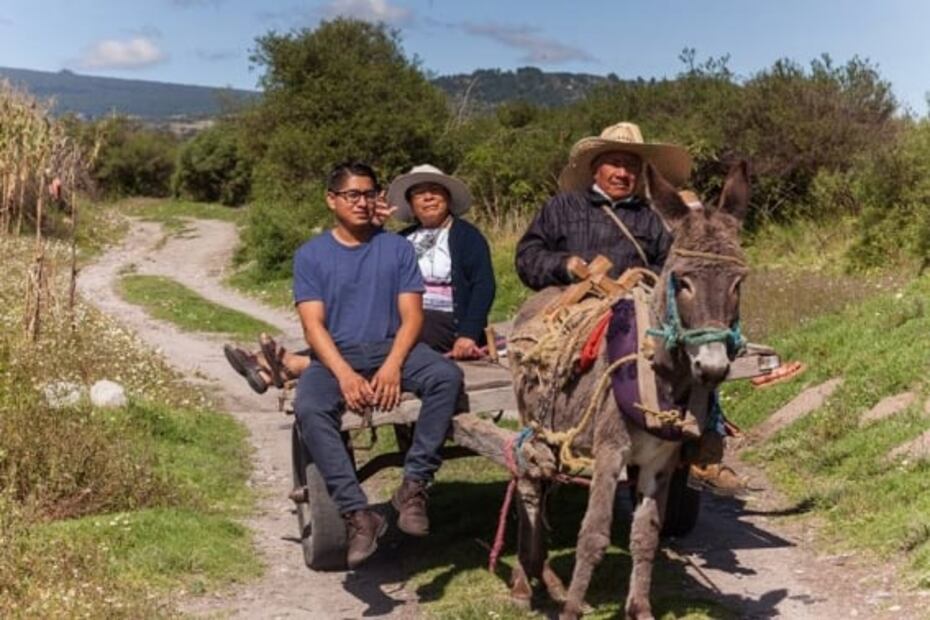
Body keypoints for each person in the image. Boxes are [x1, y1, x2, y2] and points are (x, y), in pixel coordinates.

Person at [515, 121, 744, 496]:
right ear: (595, 168)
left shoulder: (657, 218)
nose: (623, 173)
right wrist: (565, 265)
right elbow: (527, 257)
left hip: (639, 311)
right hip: (578, 312)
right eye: (614, 163)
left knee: (696, 344)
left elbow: (676, 267)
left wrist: (645, 282)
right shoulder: (560, 208)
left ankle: (703, 441)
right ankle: (548, 427)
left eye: (631, 166)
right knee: (546, 357)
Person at [291, 162, 463, 569]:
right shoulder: (311, 255)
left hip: (391, 347)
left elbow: (413, 318)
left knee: (445, 377)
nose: (363, 202)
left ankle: (414, 485)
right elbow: (313, 326)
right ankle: (357, 513)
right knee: (310, 407)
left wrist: (391, 367)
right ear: (331, 200)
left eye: (370, 194)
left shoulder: (396, 249)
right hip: (339, 354)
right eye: (352, 195)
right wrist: (345, 375)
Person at [224, 164, 496, 391]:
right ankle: (276, 369)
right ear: (411, 204)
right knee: (358, 334)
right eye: (420, 194)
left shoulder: (466, 237)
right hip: (402, 317)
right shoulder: (404, 238)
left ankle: (287, 364)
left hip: (444, 321)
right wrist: (374, 224)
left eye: (435, 192)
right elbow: (372, 257)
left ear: (447, 198)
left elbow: (484, 285)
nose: (428, 198)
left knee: (387, 336)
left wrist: (468, 334)